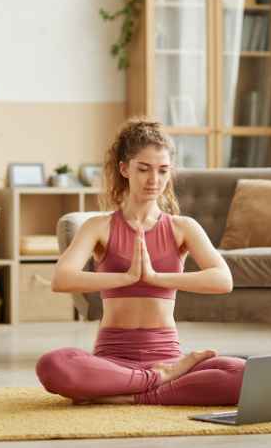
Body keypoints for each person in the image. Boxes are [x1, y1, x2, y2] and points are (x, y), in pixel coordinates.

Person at [35, 118, 245, 406]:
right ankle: (157, 382)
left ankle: (130, 394)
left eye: (162, 171)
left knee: (242, 373)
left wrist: (157, 277)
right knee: (53, 364)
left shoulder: (182, 227)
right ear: (124, 169)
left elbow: (223, 280)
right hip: (113, 359)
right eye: (144, 169)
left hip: (167, 354)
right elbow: (62, 279)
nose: (153, 180)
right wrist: (126, 278)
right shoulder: (99, 226)